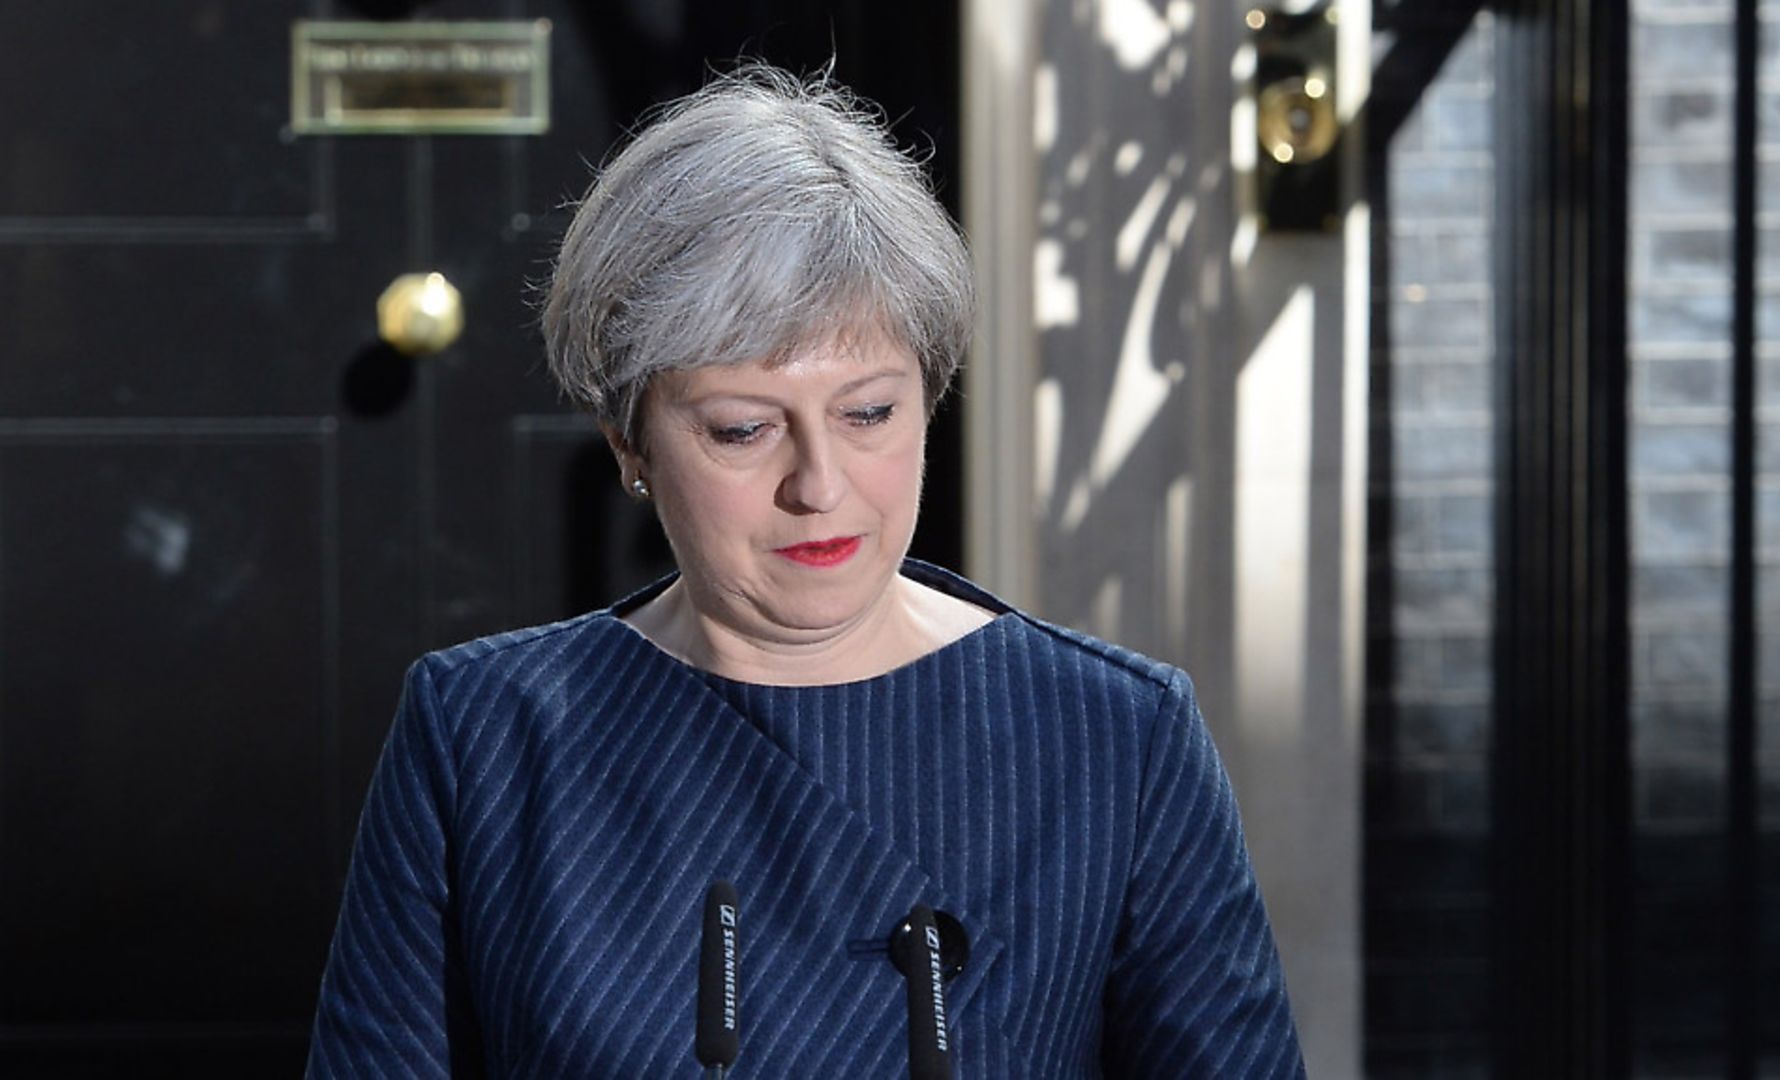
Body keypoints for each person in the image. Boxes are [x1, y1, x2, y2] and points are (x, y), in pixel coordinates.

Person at [306, 64, 1306, 1078]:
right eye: (743, 430)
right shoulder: (484, 736)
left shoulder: (1114, 738)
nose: (821, 485)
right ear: (628, 444)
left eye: (869, 413)